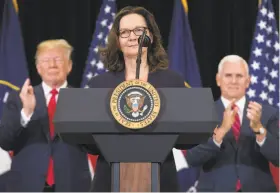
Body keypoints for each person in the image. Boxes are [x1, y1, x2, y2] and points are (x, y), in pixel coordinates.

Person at [86, 6, 190, 192]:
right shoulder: (99, 85)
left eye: (139, 30)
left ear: (150, 36)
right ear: (117, 41)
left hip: (160, 178)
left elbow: (184, 139)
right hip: (110, 180)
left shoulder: (172, 81)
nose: (132, 37)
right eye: (124, 32)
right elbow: (90, 143)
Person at [0, 39, 92, 191]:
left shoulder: (83, 99)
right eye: (46, 60)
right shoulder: (19, 98)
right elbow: (5, 141)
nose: (52, 65)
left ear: (69, 66)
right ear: (38, 68)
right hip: (27, 184)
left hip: (72, 184)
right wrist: (26, 113)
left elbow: (94, 145)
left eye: (58, 59)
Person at [186, 55, 279, 191]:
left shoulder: (267, 113)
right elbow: (192, 158)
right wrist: (221, 133)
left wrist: (260, 130)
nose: (234, 81)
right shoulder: (202, 112)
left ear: (248, 81)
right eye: (228, 75)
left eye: (239, 76)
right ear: (218, 79)